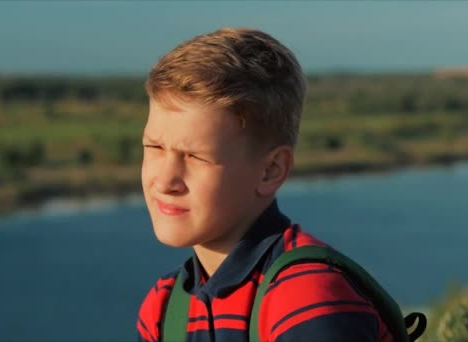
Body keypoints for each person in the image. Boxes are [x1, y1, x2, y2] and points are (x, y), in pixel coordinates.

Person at [136, 27, 395, 341]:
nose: (165, 180)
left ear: (271, 171)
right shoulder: (164, 310)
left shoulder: (304, 297)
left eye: (194, 157)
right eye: (155, 148)